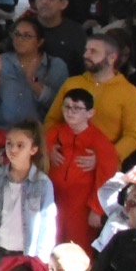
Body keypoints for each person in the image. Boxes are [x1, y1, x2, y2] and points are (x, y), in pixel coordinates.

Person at [43, 31, 136, 164]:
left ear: (111, 58)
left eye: (93, 51)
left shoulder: (130, 92)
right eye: (86, 50)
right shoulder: (72, 83)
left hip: (103, 168)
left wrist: (105, 156)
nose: (86, 55)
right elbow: (52, 119)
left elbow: (132, 136)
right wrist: (49, 145)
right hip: (63, 160)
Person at [0, 16, 67, 146]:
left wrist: (33, 80)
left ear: (40, 42)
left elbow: (58, 105)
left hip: (37, 137)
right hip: (2, 134)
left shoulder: (55, 65)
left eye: (27, 36)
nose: (20, 39)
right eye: (17, 34)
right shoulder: (2, 60)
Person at [48, 90, 119, 249]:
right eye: (67, 106)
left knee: (78, 247)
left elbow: (107, 176)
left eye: (77, 108)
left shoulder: (99, 140)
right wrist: (48, 150)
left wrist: (97, 208)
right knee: (50, 242)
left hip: (81, 205)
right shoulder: (54, 133)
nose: (70, 112)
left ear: (90, 113)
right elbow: (36, 151)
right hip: (53, 199)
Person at [0, 124, 57, 263]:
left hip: (25, 254)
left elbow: (47, 225)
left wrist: (40, 260)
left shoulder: (42, 183)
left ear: (33, 149)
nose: (13, 149)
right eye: (9, 143)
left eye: (20, 145)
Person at [29, 0, 87, 77]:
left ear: (63, 4)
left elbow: (82, 69)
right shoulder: (24, 27)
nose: (44, 2)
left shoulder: (76, 33)